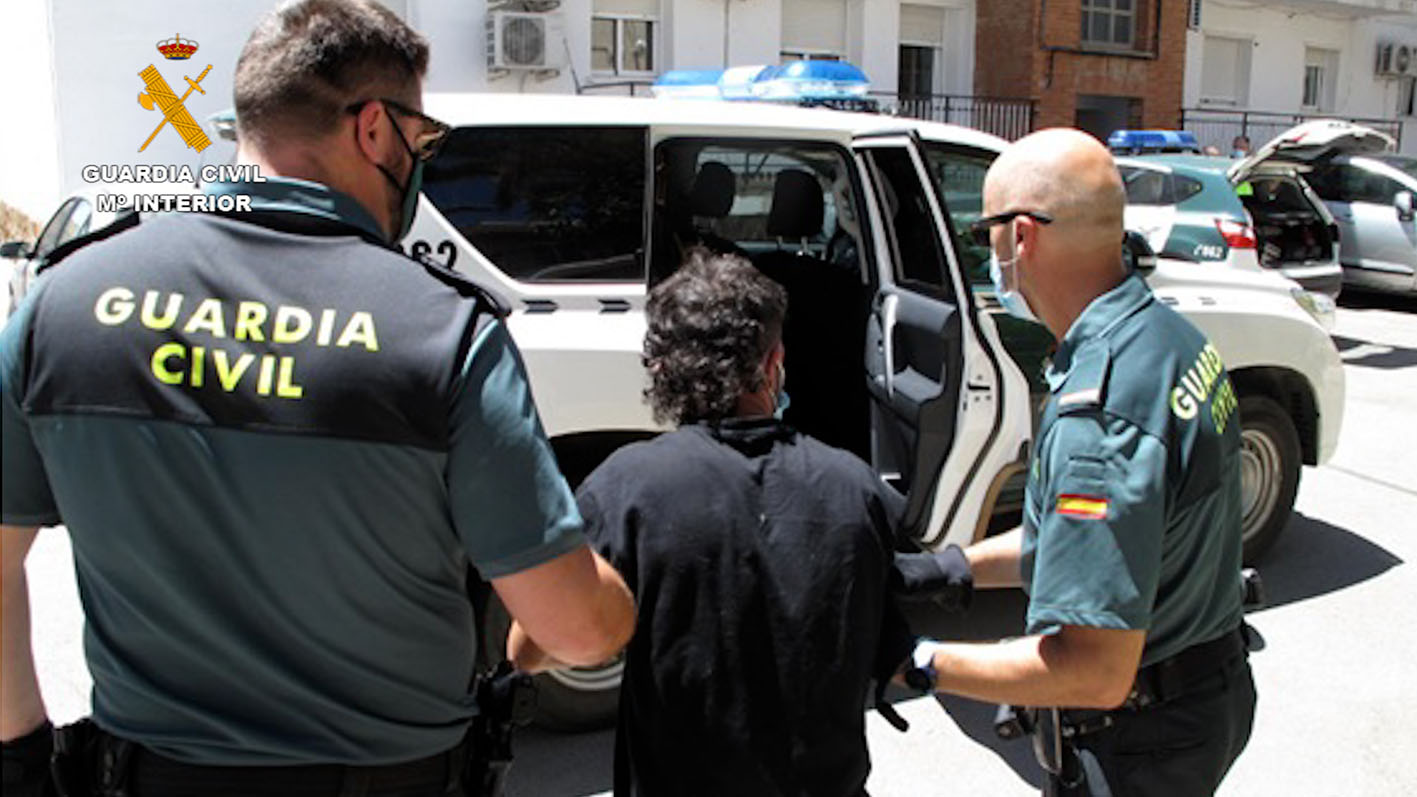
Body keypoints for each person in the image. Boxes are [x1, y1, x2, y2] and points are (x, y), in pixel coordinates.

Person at [0, 1, 634, 795]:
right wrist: (615, 596)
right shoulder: (442, 332)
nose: (420, 158)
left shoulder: (61, 306)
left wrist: (19, 756)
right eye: (423, 139)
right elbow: (573, 631)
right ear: (375, 129)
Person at [510, 248, 972, 797]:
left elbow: (529, 650)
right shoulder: (852, 485)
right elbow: (880, 631)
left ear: (661, 368)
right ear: (774, 361)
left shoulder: (626, 489)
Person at [902, 129, 1256, 796]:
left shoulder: (1100, 409)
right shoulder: (1165, 338)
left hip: (1142, 741)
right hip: (1207, 688)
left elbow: (1091, 670)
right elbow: (1090, 546)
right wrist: (948, 568)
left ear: (1021, 237)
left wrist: (918, 662)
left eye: (984, 237)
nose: (989, 256)